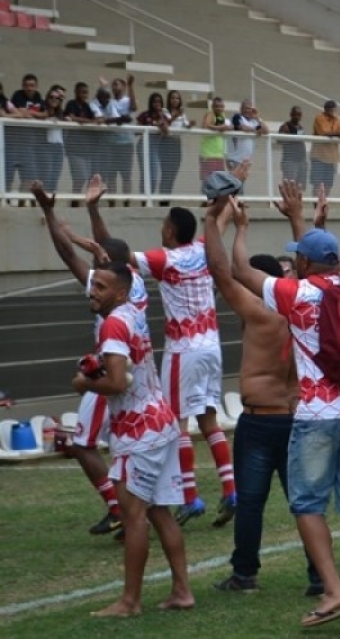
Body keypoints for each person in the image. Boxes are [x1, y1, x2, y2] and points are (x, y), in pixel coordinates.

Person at [232, 194, 340, 636]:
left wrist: (239, 227)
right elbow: (317, 258)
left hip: (318, 415)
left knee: (307, 504)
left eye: (298, 260)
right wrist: (303, 222)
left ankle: (333, 590)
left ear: (307, 264)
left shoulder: (295, 294)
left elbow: (240, 271)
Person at [86, 182, 236, 528]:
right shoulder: (204, 246)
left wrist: (94, 213)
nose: (160, 229)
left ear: (170, 230)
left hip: (184, 348)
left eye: (163, 224)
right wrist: (227, 195)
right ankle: (230, 489)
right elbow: (222, 219)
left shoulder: (164, 259)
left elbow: (114, 256)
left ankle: (190, 496)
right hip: (212, 344)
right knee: (209, 418)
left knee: (178, 421)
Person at [204, 180, 322, 595]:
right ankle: (317, 576)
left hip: (260, 422)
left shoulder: (259, 313)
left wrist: (221, 222)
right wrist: (299, 220)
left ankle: (244, 575)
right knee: (306, 505)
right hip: (298, 418)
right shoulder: (309, 309)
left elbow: (223, 271)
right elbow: (312, 265)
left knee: (251, 503)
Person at [31, 178, 149, 536]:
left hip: (113, 371)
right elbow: (105, 247)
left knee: (83, 444)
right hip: (135, 375)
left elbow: (71, 254)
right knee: (128, 450)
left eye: (100, 276)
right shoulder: (130, 282)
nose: (94, 286)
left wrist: (50, 211)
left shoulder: (113, 297)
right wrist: (92, 211)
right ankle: (135, 509)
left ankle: (121, 510)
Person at [74, 261, 192, 616]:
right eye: (93, 286)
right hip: (160, 421)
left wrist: (83, 382)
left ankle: (130, 601)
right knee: (160, 512)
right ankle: (182, 591)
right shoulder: (133, 312)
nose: (93, 292)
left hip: (139, 432)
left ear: (121, 292)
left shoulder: (113, 322)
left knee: (133, 515)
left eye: (101, 287)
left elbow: (116, 382)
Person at [310, 100, 340, 195]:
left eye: (333, 110)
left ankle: (323, 203)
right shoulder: (319, 118)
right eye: (330, 110)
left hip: (331, 158)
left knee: (328, 184)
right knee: (317, 184)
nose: (332, 112)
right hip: (319, 157)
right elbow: (325, 133)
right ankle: (317, 206)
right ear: (325, 110)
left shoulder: (337, 119)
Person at [160, 90, 194, 200]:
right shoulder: (164, 111)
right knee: (165, 174)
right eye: (173, 98)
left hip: (176, 144)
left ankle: (167, 199)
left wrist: (190, 125)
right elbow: (165, 123)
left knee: (172, 175)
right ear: (169, 100)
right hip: (166, 143)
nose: (175, 100)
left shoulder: (182, 114)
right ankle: (162, 200)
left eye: (177, 98)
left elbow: (185, 125)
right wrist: (175, 116)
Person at [136, 92, 170, 196]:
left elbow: (167, 132)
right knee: (145, 174)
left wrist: (161, 118)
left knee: (154, 175)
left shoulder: (164, 116)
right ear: (151, 103)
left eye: (159, 101)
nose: (157, 103)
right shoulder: (145, 115)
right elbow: (136, 131)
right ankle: (144, 199)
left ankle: (150, 195)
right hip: (143, 146)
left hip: (155, 148)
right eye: (155, 101)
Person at [228, 99, 268, 169]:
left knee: (241, 180)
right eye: (245, 108)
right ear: (241, 109)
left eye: (249, 108)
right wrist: (255, 130)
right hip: (235, 158)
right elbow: (242, 127)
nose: (247, 110)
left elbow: (266, 131)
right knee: (234, 179)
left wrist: (257, 117)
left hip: (246, 160)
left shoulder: (253, 120)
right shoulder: (236, 117)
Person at [279, 105, 308, 189]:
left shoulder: (300, 127)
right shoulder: (285, 126)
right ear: (291, 114)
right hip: (290, 161)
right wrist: (287, 135)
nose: (297, 116)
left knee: (299, 186)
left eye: (299, 115)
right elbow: (279, 140)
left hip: (301, 161)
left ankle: (296, 201)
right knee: (289, 186)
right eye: (295, 114)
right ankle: (286, 201)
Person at [200, 97, 229, 181]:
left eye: (221, 106)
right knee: (208, 182)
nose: (219, 108)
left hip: (219, 155)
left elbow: (221, 129)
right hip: (208, 155)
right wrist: (220, 128)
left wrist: (224, 128)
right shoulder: (210, 114)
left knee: (219, 182)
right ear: (212, 107)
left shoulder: (222, 116)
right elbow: (205, 126)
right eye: (217, 106)